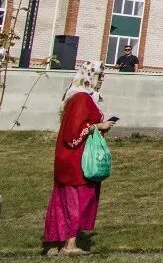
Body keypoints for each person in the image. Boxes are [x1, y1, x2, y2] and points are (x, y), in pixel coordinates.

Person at [44, 62, 115, 256]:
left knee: (63, 199)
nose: (101, 81)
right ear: (89, 77)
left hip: (68, 158)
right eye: (99, 77)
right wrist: (98, 126)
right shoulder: (82, 98)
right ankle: (69, 244)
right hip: (77, 159)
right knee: (78, 199)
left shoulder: (74, 97)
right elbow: (74, 132)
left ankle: (54, 243)